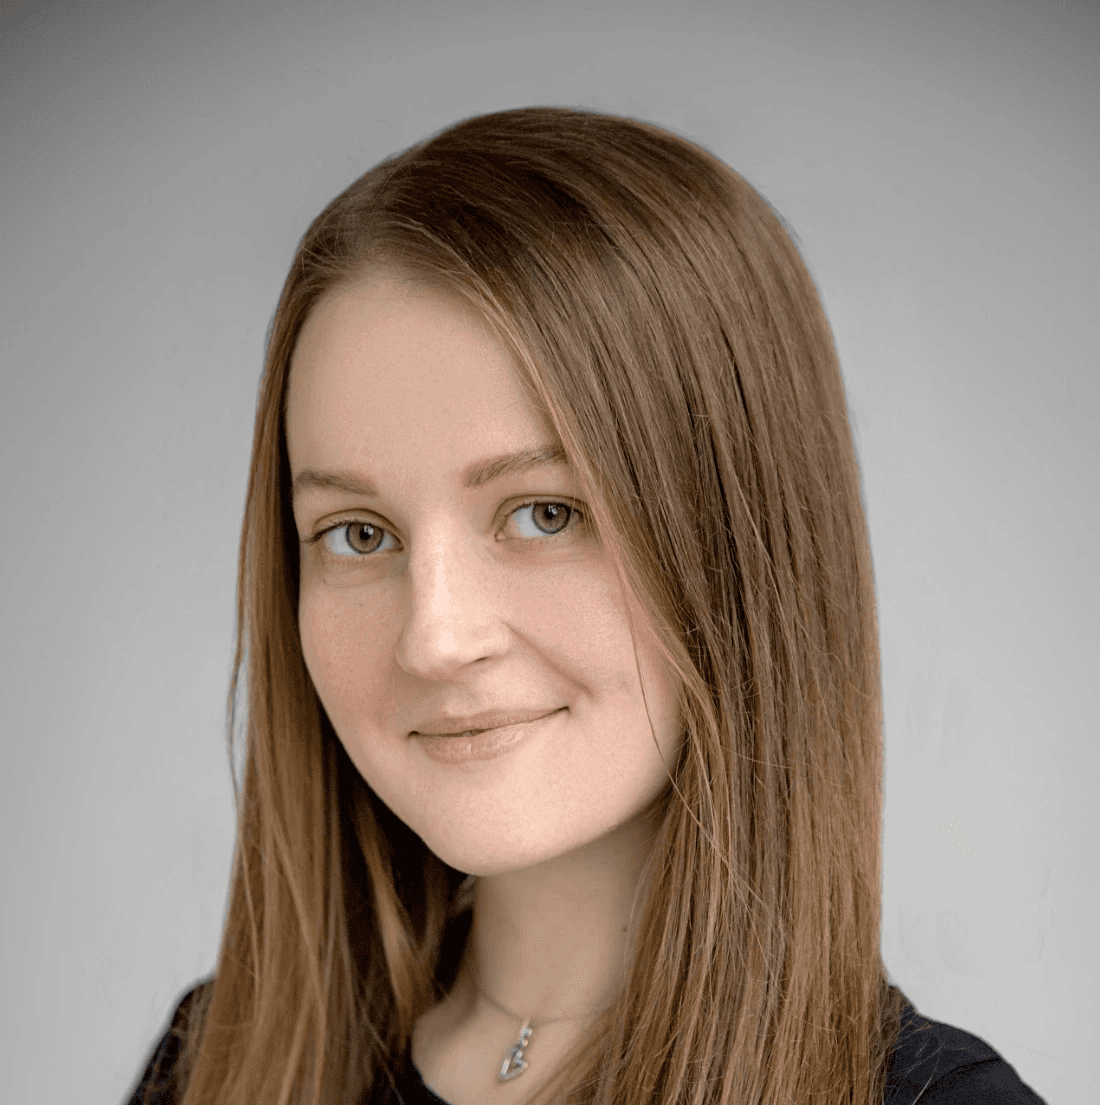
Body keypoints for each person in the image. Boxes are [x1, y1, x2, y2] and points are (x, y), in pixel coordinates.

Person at [124, 106, 1046, 1105]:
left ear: (738, 547)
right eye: (358, 533)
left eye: (544, 513)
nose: (435, 637)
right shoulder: (212, 1066)